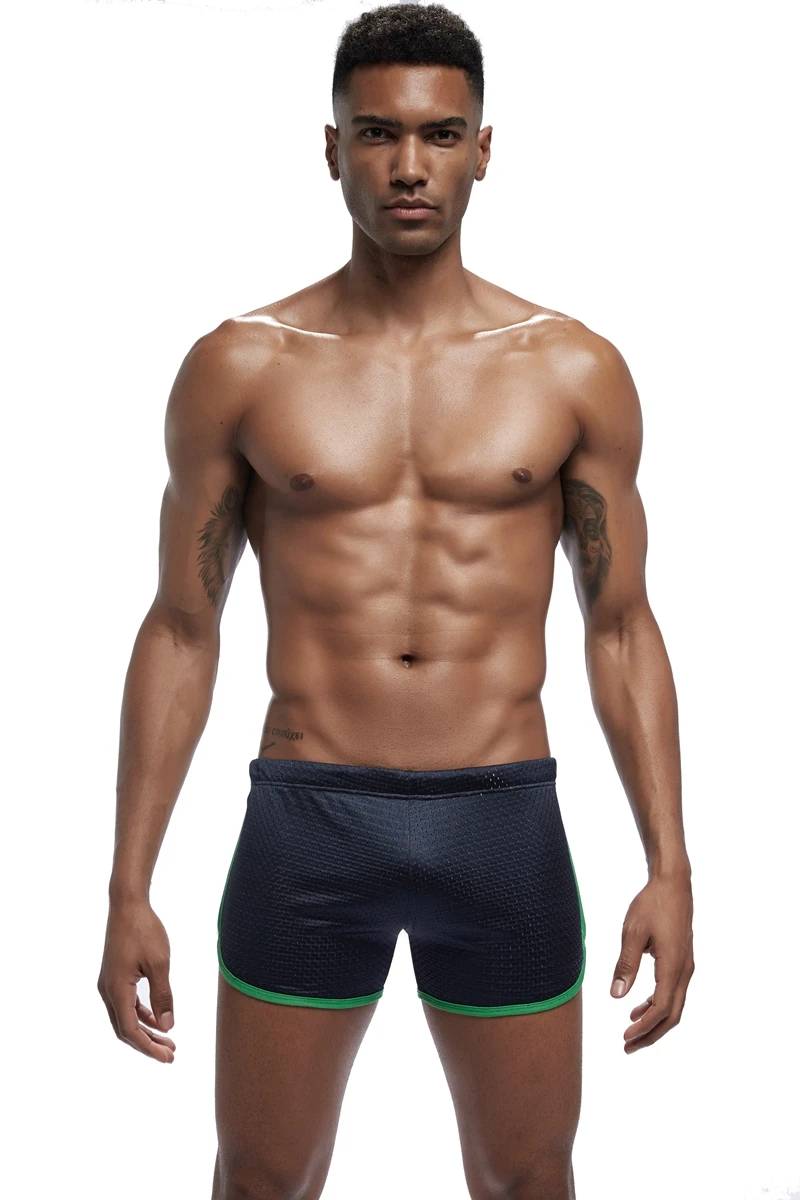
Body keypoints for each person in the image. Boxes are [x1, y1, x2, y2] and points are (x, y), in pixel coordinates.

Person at [97, 4, 694, 1198]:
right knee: (259, 1181)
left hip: (501, 820)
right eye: (376, 133)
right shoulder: (241, 366)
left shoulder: (570, 370)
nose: (408, 165)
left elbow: (619, 624)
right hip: (308, 818)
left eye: (438, 134)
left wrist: (667, 864)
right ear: (330, 149)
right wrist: (127, 884)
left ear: (483, 149)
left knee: (528, 1180)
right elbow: (181, 627)